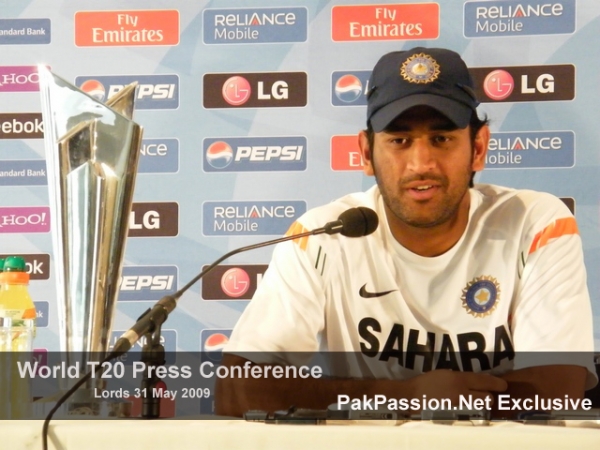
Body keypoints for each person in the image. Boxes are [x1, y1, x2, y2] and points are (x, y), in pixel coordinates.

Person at [215, 47, 597, 417]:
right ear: (366, 153)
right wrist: (407, 396)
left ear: (478, 148)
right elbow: (236, 389)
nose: (421, 163)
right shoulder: (321, 236)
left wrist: (431, 405)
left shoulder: (536, 223)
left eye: (442, 138)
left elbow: (557, 388)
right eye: (399, 140)